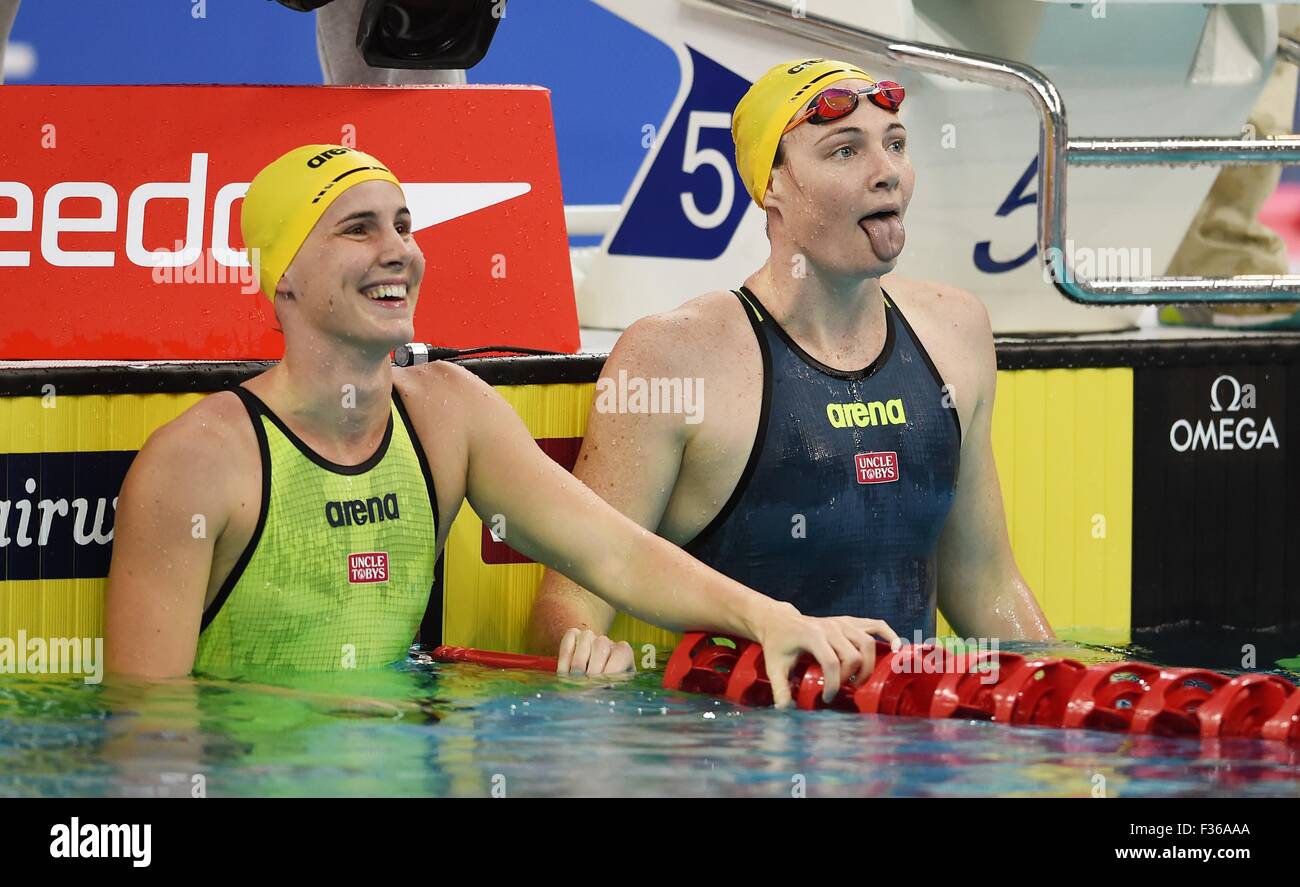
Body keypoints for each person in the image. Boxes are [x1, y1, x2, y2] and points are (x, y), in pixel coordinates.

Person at [104, 143, 898, 708]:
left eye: (404, 225)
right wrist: (323, 705)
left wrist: (774, 619)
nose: (398, 253)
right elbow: (147, 721)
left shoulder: (448, 412)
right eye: (358, 229)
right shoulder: (200, 464)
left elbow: (614, 551)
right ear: (284, 279)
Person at [528, 59, 1053, 675]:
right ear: (770, 184)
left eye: (896, 145)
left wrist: (1070, 700)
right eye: (844, 151)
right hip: (742, 751)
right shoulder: (676, 358)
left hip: (912, 746)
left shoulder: (955, 331)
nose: (887, 173)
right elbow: (568, 603)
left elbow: (986, 586)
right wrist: (583, 653)